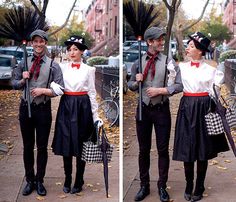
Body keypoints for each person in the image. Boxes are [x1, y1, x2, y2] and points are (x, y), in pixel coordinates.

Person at [172, 32, 229, 202]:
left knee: (202, 149)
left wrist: (214, 93)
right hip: (187, 108)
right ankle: (189, 184)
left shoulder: (212, 71)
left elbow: (215, 93)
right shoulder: (180, 67)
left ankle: (200, 185)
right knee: (187, 148)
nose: (187, 48)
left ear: (200, 51)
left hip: (204, 109)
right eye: (188, 45)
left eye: (190, 45)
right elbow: (174, 86)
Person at [128, 26, 183, 202]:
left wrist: (162, 90)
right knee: (143, 150)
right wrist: (136, 83)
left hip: (161, 110)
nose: (161, 42)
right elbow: (129, 85)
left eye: (162, 39)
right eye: (158, 40)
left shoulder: (169, 61)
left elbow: (179, 85)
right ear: (149, 42)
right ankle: (144, 185)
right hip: (143, 110)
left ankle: (162, 186)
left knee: (162, 149)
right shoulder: (138, 61)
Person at [12, 29, 64, 196]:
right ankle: (29, 180)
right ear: (32, 43)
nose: (38, 44)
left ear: (45, 43)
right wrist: (22, 79)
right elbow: (13, 83)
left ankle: (40, 180)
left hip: (43, 110)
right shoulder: (23, 63)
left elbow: (60, 89)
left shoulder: (53, 65)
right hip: (25, 108)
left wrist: (44, 90)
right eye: (35, 41)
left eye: (41, 41)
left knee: (42, 147)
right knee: (27, 146)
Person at [51, 35, 103, 194]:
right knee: (66, 142)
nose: (71, 52)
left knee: (82, 144)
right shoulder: (61, 67)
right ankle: (67, 178)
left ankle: (79, 179)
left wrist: (96, 117)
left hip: (83, 107)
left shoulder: (89, 69)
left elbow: (92, 93)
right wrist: (53, 85)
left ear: (82, 52)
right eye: (69, 49)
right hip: (66, 105)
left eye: (75, 49)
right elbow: (53, 84)